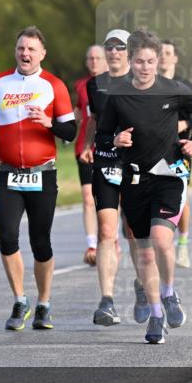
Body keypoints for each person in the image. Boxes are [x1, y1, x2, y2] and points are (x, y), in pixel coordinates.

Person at [96, 28, 192, 343]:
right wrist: (116, 140)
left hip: (169, 175)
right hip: (134, 179)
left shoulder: (174, 90)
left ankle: (169, 292)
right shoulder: (117, 96)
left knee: (161, 240)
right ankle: (156, 316)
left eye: (150, 61)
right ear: (130, 61)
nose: (145, 67)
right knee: (144, 254)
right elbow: (103, 135)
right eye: (139, 61)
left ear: (158, 61)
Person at [0, 27, 76, 331]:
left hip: (42, 175)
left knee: (40, 242)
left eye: (32, 49)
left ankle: (44, 304)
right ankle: (21, 300)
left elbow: (70, 132)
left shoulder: (54, 86)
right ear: (15, 51)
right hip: (7, 173)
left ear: (42, 54)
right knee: (7, 237)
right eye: (21, 48)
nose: (25, 54)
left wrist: (49, 123)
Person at [85, 29, 144, 327]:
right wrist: (88, 145)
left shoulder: (141, 82)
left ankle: (143, 285)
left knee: (133, 232)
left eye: (120, 47)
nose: (113, 51)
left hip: (135, 167)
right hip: (106, 163)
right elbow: (94, 120)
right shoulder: (94, 85)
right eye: (109, 46)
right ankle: (107, 301)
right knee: (107, 232)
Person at [160, 39, 192, 269]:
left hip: (178, 149)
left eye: (168, 53)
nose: (163, 56)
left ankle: (182, 244)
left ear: (175, 58)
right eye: (159, 52)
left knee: (181, 199)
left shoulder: (184, 85)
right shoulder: (147, 83)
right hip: (152, 150)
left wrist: (183, 124)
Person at [73, 45, 106, 265]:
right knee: (87, 197)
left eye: (97, 58)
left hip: (108, 148)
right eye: (90, 58)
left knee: (107, 199)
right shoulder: (80, 85)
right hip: (84, 148)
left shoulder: (115, 83)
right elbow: (78, 111)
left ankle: (110, 238)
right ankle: (92, 243)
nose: (94, 61)